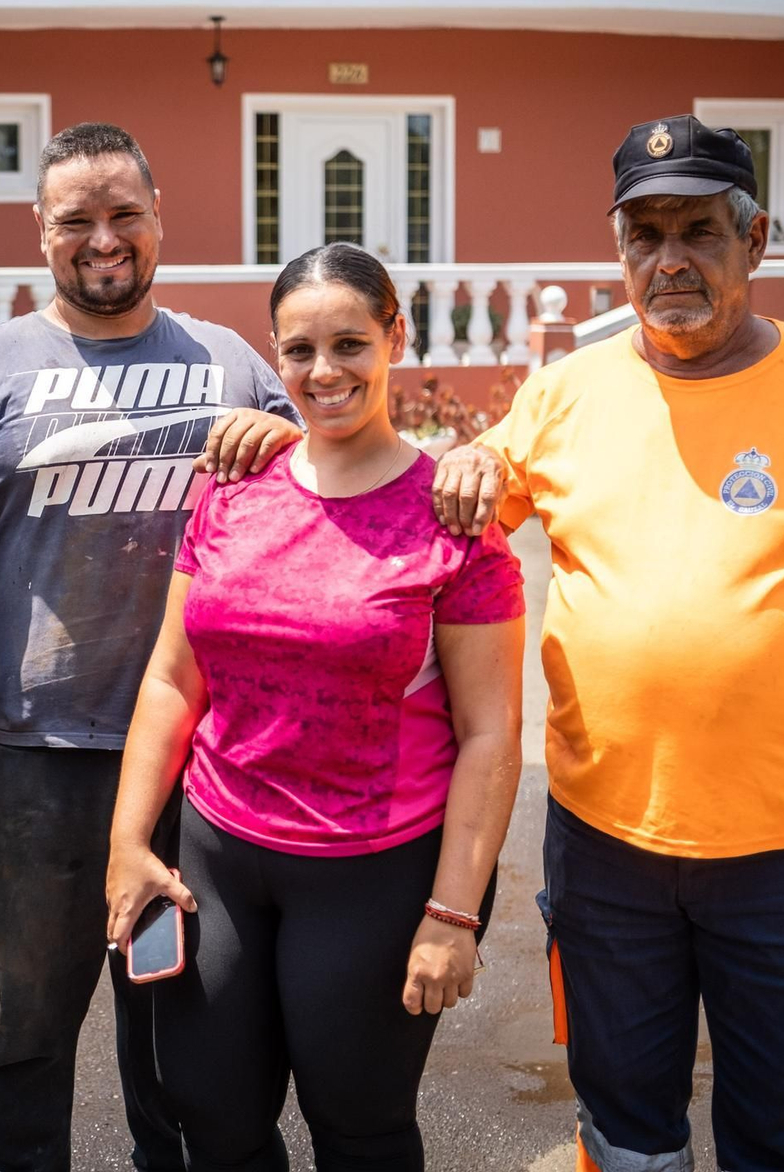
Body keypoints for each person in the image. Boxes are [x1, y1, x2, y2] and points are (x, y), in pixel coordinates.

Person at [434, 115, 784, 1172]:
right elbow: (439, 513)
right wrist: (344, 443)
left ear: (755, 241)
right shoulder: (561, 395)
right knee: (624, 1123)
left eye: (697, 231)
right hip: (604, 844)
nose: (667, 260)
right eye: (642, 234)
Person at [0, 122, 302, 1172]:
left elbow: (334, 489)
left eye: (123, 215)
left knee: (181, 1036)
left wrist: (289, 438)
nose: (102, 239)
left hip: (202, 767)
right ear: (42, 232)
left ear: (158, 219)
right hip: (35, 767)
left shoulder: (233, 363)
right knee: (22, 1038)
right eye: (76, 220)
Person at [104, 243, 525, 1171]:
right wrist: (130, 842)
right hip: (218, 854)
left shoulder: (452, 520)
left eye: (349, 344)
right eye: (299, 350)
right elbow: (174, 678)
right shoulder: (229, 486)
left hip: (373, 871)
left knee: (359, 1127)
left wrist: (453, 915)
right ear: (275, 353)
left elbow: (492, 735)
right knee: (211, 1120)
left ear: (394, 338)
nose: (323, 371)